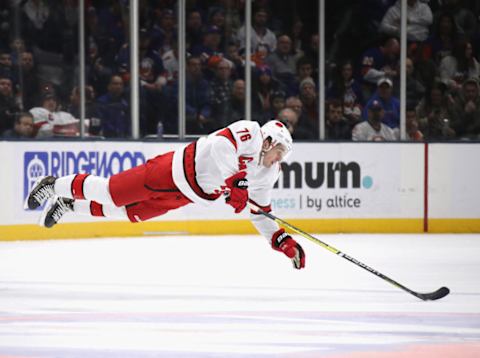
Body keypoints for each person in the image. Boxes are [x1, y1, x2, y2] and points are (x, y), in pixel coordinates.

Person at [26, 119, 305, 270]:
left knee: (130, 213)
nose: (277, 161)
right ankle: (52, 184)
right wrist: (236, 183)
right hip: (171, 170)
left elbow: (258, 210)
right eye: (279, 153)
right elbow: (221, 144)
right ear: (269, 142)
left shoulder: (268, 172)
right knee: (112, 193)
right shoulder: (253, 132)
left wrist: (281, 240)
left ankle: (68, 205)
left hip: (186, 195)